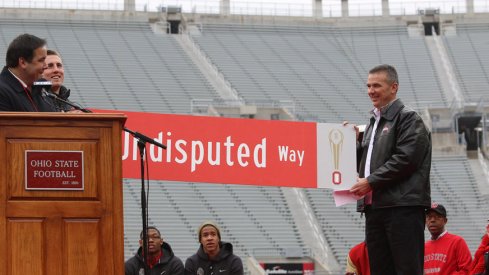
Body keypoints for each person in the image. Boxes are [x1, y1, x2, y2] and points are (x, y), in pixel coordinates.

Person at [349, 64, 432, 275]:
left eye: (376, 85)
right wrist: (351, 143)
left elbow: (406, 159)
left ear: (394, 87)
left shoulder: (409, 118)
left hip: (402, 207)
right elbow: (367, 163)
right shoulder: (371, 124)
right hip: (375, 208)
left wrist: (370, 182)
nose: (370, 91)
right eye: (368, 86)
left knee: (406, 270)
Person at [0, 33, 56, 112]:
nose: (46, 66)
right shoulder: (2, 92)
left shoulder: (41, 90)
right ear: (23, 62)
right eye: (41, 60)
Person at [424, 203, 472, 275]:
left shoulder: (457, 242)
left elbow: (467, 270)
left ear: (445, 221)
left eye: (437, 217)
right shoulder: (424, 247)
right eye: (429, 217)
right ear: (425, 221)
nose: (432, 220)